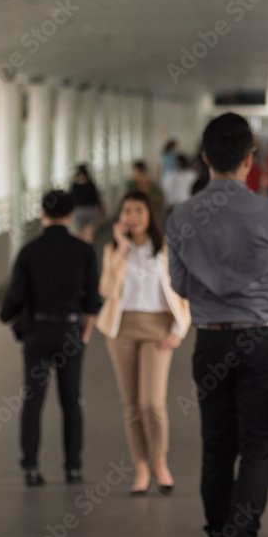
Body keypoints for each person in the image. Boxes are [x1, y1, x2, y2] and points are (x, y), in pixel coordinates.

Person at [165, 113, 268, 537]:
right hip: (261, 340)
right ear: (248, 160)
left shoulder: (181, 216)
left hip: (210, 342)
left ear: (205, 157)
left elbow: (179, 285)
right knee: (258, 445)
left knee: (217, 446)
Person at [0, 190, 101, 487]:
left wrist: (11, 318)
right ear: (70, 215)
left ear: (42, 214)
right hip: (70, 331)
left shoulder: (29, 251)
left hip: (38, 332)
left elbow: (14, 297)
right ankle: (73, 467)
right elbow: (92, 298)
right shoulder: (83, 250)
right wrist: (85, 330)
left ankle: (31, 466)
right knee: (71, 400)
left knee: (33, 399)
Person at [97, 191, 190, 496]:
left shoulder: (166, 249)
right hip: (121, 330)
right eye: (127, 211)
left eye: (139, 210)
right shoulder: (113, 250)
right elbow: (107, 290)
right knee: (132, 406)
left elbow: (183, 291)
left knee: (152, 403)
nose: (133, 216)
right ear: (120, 216)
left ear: (149, 214)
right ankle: (141, 469)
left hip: (157, 330)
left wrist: (179, 328)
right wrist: (121, 250)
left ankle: (160, 463)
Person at [71, 164, 105, 244]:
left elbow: (71, 198)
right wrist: (101, 208)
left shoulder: (75, 185)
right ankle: (87, 248)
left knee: (80, 232)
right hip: (90, 210)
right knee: (89, 233)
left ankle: (80, 248)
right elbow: (95, 198)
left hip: (78, 211)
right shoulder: (90, 184)